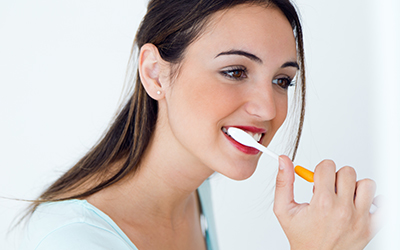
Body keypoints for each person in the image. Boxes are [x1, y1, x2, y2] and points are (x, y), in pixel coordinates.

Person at [18, 0, 381, 249]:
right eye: (235, 72)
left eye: (282, 81)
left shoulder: (195, 191)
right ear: (155, 73)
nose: (268, 109)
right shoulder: (71, 240)